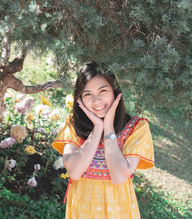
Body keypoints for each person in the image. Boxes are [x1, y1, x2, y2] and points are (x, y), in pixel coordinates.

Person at [52, 62, 154, 219]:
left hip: (119, 212)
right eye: (87, 94)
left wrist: (108, 128)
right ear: (80, 99)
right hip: (81, 212)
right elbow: (75, 172)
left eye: (103, 91)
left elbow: (119, 176)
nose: (96, 100)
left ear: (115, 91)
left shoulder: (137, 128)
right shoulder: (73, 125)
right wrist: (97, 128)